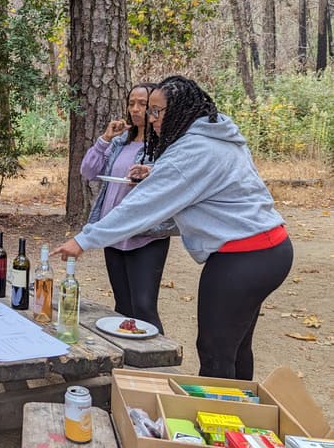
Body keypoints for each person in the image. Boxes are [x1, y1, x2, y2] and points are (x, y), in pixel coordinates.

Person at [54, 76, 293, 380]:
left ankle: (217, 422)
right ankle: (242, 419)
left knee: (214, 351)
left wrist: (85, 239)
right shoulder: (214, 135)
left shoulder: (193, 150)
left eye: (157, 111)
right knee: (235, 347)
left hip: (243, 257)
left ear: (180, 110)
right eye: (149, 111)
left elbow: (140, 206)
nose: (150, 119)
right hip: (271, 251)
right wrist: (156, 171)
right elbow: (207, 175)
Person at [80, 83, 170, 332]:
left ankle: (157, 362)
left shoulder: (165, 145)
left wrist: (148, 177)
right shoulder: (120, 142)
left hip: (145, 235)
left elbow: (170, 183)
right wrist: (104, 139)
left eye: (143, 104)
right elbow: (88, 171)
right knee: (122, 304)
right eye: (131, 103)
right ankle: (129, 361)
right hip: (114, 232)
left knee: (143, 306)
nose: (136, 109)